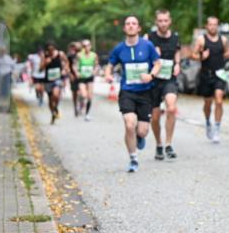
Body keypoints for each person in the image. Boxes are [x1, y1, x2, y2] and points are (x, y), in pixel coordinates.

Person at [105, 16, 161, 173]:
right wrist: (108, 75)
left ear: (139, 28)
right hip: (127, 92)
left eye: (134, 24)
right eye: (128, 24)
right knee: (129, 123)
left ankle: (139, 136)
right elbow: (109, 65)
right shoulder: (119, 49)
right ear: (124, 28)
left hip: (145, 93)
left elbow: (157, 63)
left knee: (142, 130)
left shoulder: (148, 45)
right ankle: (133, 159)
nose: (130, 26)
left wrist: (151, 75)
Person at [147, 9, 181, 160]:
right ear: (156, 22)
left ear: (170, 21)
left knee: (171, 108)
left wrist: (178, 64)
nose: (163, 23)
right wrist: (153, 54)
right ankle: (159, 144)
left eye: (165, 20)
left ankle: (168, 144)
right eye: (160, 21)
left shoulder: (175, 37)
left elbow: (177, 52)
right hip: (154, 81)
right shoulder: (149, 38)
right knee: (155, 117)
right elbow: (142, 55)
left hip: (169, 78)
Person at [190, 15, 229, 143]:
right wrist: (201, 55)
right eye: (210, 24)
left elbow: (227, 53)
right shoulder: (201, 40)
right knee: (208, 103)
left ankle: (217, 127)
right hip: (206, 75)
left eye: (215, 24)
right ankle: (208, 122)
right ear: (207, 26)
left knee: (219, 100)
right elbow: (193, 55)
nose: (212, 27)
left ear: (218, 26)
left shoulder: (223, 40)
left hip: (220, 74)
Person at [39, 42, 66, 124]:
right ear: (47, 50)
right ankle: (53, 113)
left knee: (56, 95)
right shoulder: (44, 56)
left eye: (52, 49)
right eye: (49, 50)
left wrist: (65, 70)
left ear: (55, 48)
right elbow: (40, 69)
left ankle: (56, 108)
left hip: (58, 79)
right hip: (48, 80)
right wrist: (45, 63)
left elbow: (67, 62)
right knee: (50, 100)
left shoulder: (60, 54)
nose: (51, 51)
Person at [75, 39, 98, 121]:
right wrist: (77, 72)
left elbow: (96, 65)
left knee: (90, 97)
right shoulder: (79, 55)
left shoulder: (94, 55)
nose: (86, 47)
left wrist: (94, 71)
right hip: (82, 77)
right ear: (82, 47)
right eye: (84, 46)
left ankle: (87, 114)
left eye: (88, 45)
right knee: (84, 94)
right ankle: (80, 104)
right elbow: (75, 66)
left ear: (90, 46)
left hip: (90, 77)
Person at [66, 42, 82, 117]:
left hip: (82, 77)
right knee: (74, 93)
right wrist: (70, 75)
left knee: (81, 92)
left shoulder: (83, 55)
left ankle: (81, 105)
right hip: (73, 77)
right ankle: (75, 106)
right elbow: (67, 66)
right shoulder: (70, 56)